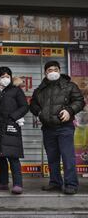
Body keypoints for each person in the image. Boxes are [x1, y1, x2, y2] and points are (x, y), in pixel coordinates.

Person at [30, 61, 85, 195]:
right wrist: (39, 112)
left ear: (59, 71)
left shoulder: (69, 86)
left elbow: (80, 101)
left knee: (68, 157)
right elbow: (33, 105)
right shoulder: (40, 90)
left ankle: (71, 184)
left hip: (64, 127)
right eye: (49, 70)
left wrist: (70, 111)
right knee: (52, 157)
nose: (52, 72)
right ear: (45, 72)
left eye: (55, 69)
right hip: (48, 128)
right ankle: (55, 182)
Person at [0, 67, 29, 194]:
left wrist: (13, 117)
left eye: (7, 76)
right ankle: (3, 183)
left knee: (13, 156)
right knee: (0, 156)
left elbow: (25, 106)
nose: (5, 79)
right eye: (2, 76)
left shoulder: (15, 91)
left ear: (11, 77)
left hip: (11, 126)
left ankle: (18, 184)